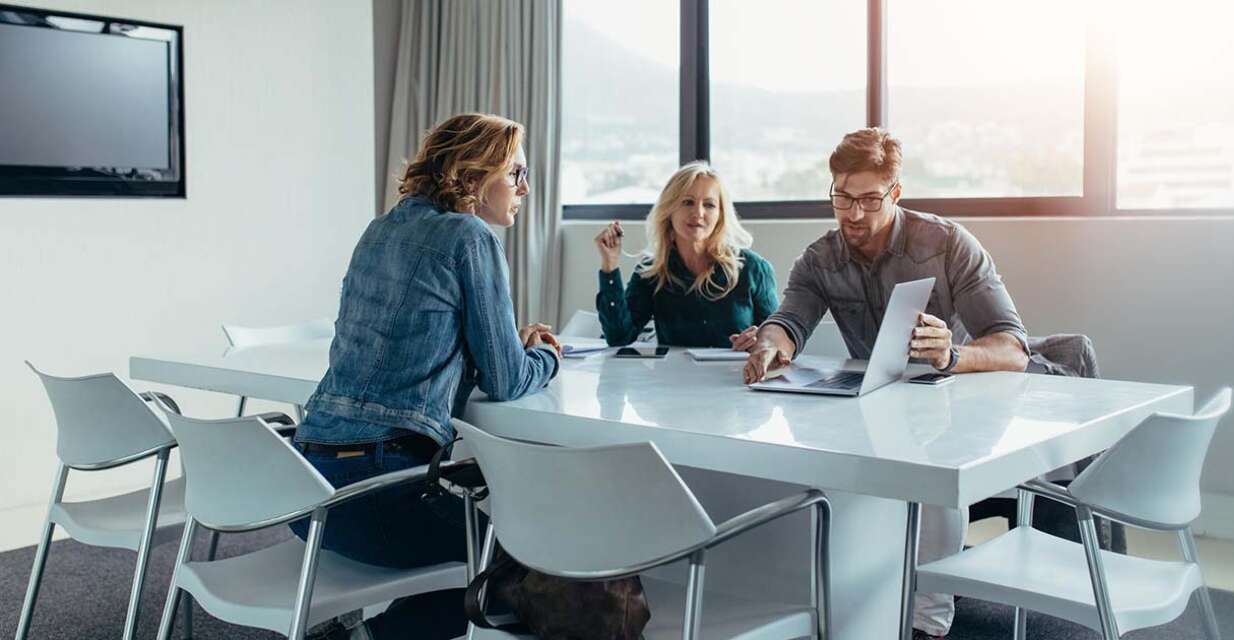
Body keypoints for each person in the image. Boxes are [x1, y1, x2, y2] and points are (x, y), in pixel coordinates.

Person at [743, 128, 1030, 639]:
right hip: (878, 408)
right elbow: (790, 320)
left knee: (930, 461)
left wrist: (952, 353)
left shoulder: (946, 244)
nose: (854, 214)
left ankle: (929, 623)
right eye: (842, 198)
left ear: (895, 193)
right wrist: (772, 343)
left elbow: (1013, 347)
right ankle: (849, 599)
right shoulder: (819, 259)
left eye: (869, 200)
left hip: (958, 405)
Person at [290, 113, 561, 640]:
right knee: (522, 557)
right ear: (473, 174)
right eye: (516, 173)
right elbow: (506, 381)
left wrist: (509, 341)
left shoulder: (382, 227)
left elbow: (414, 339)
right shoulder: (470, 236)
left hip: (307, 488)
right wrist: (549, 358)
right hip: (377, 489)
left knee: (473, 544)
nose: (525, 188)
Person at [594, 162, 779, 349]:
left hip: (736, 377)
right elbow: (619, 337)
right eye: (687, 202)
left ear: (720, 215)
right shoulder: (652, 272)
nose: (698, 213)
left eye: (709, 205)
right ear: (669, 210)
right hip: (673, 378)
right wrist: (610, 265)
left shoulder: (754, 269)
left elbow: (776, 340)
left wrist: (761, 340)